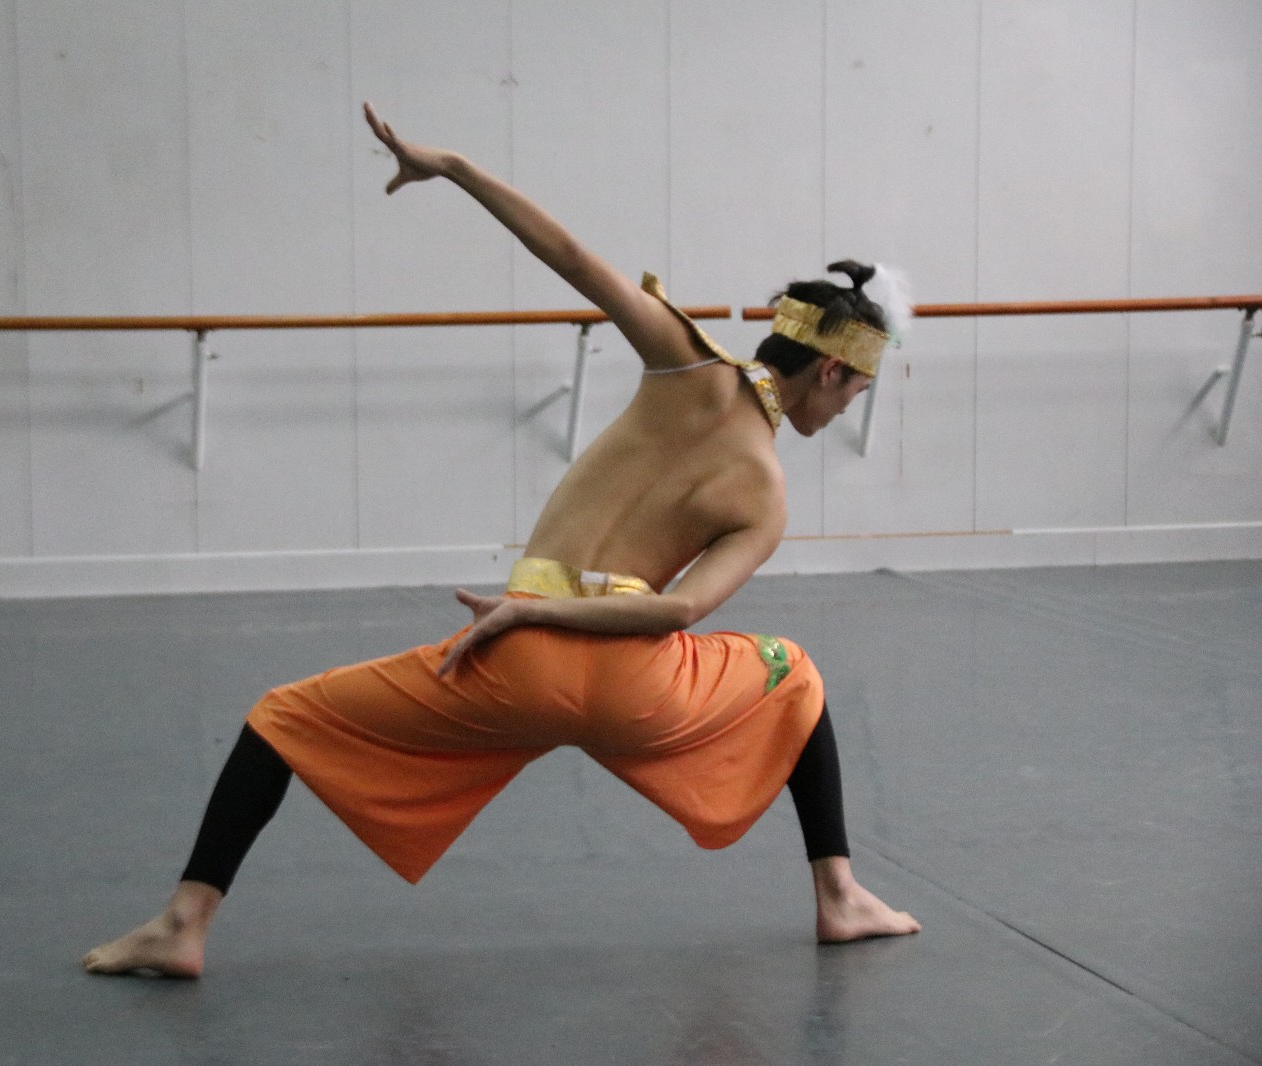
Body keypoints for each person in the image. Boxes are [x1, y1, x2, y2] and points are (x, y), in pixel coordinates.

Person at [83, 103, 920, 979]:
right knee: (796, 677)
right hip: (635, 692)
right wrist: (548, 620)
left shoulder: (683, 361)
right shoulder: (767, 496)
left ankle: (183, 925)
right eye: (855, 391)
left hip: (514, 661)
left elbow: (570, 256)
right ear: (831, 368)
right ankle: (840, 897)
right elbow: (677, 612)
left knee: (281, 719)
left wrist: (454, 167)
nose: (847, 408)